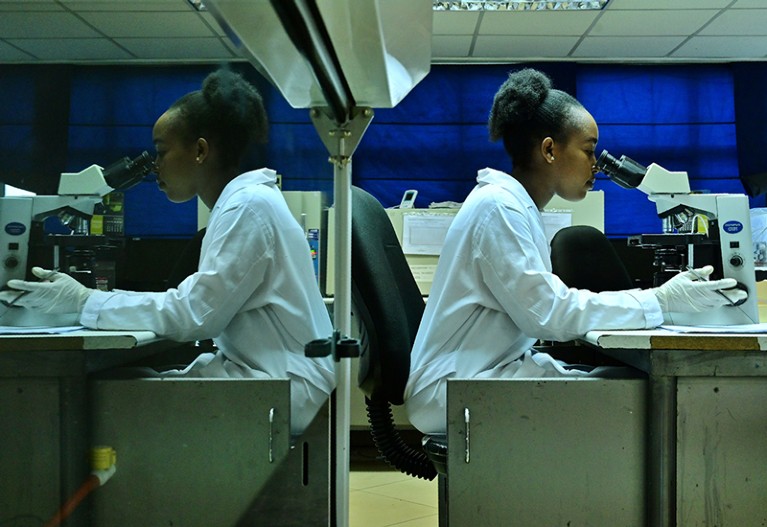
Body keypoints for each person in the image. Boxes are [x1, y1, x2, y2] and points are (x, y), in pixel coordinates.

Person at [403, 68, 746, 435]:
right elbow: (547, 313)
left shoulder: (512, 205)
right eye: (588, 150)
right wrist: (660, 300)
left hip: (480, 371)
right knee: (641, 403)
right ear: (550, 150)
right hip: (454, 387)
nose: (596, 164)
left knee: (621, 381)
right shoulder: (499, 209)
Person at [0, 69, 335, 435]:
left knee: (96, 405)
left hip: (282, 383)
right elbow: (193, 304)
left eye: (161, 151)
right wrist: (89, 301)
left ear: (201, 151)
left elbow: (195, 314)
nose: (155, 166)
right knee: (125, 382)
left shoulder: (247, 208)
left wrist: (84, 301)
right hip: (270, 372)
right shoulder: (244, 202)